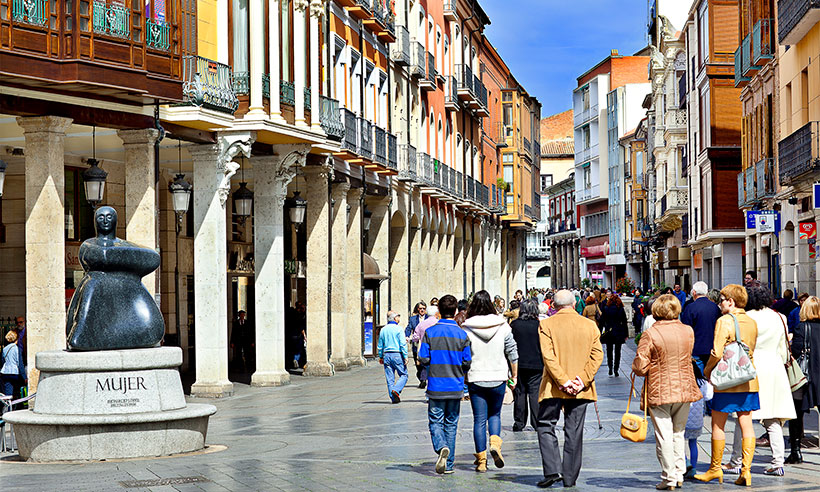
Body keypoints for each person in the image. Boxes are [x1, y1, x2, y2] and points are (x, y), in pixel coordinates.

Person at [632, 294, 703, 490]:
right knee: (678, 433)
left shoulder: (651, 334)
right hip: (684, 387)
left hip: (660, 389)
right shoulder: (688, 331)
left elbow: (640, 367)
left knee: (663, 435)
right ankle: (679, 473)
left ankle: (669, 477)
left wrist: (641, 365)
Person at [535, 290, 603, 488]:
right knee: (574, 430)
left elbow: (548, 357)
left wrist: (563, 381)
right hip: (581, 388)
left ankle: (552, 470)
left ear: (553, 306)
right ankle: (570, 476)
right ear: (574, 304)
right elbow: (597, 356)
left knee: (546, 424)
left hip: (553, 386)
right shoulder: (590, 326)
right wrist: (581, 381)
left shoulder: (546, 324)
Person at [724, 286, 795, 476]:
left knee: (743, 417)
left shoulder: (746, 318)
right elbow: (783, 350)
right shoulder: (780, 317)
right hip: (775, 369)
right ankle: (778, 462)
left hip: (751, 368)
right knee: (773, 418)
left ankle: (737, 460)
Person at [695, 285, 760, 486]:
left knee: (718, 424)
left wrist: (707, 371)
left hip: (727, 381)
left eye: (722, 299)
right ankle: (746, 471)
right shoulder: (751, 321)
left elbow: (716, 352)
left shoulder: (724, 321)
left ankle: (715, 468)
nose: (720, 303)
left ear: (731, 301)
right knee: (746, 423)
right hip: (747, 380)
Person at [462, 290, 519, 472]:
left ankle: (481, 461)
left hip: (476, 377)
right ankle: (495, 442)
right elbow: (512, 353)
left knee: (479, 419)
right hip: (498, 376)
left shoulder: (466, 328)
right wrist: (514, 376)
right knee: (495, 415)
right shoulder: (503, 325)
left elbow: (463, 356)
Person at [418, 295, 472, 474]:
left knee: (435, 421)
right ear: (455, 311)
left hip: (436, 385)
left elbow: (423, 357)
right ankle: (448, 465)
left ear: (439, 311)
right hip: (455, 386)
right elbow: (467, 362)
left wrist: (433, 366)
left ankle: (441, 447)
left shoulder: (430, 333)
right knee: (451, 424)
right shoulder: (462, 334)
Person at [787, 296, 820, 465]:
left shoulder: (800, 328)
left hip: (804, 377)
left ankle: (796, 452)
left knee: (796, 415)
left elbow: (797, 351)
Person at [511, 299, 543, 433]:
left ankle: (519, 422)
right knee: (535, 393)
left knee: (519, 393)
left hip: (519, 364)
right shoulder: (539, 325)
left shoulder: (514, 325)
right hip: (536, 364)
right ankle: (537, 422)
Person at [681, 281, 722, 371]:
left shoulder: (690, 307)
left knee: (698, 379)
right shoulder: (715, 307)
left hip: (696, 348)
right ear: (706, 293)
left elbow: (685, 329)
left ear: (694, 292)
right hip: (712, 348)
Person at [378, 310, 408, 404]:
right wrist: (405, 356)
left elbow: (380, 345)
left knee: (389, 377)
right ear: (395, 318)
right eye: (398, 316)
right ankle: (396, 390)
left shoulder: (383, 329)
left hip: (386, 354)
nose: (399, 318)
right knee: (404, 375)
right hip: (397, 354)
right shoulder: (399, 329)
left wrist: (380, 356)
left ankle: (393, 397)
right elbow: (402, 344)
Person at [600, 293, 628, 377]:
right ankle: (616, 369)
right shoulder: (620, 309)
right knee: (618, 351)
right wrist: (626, 334)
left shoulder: (606, 308)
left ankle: (610, 367)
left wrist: (600, 331)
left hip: (609, 332)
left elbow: (602, 321)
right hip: (618, 332)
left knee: (609, 351)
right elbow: (624, 322)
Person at [412, 305, 439, 387]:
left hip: (425, 349)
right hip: (437, 349)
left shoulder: (421, 324)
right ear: (436, 313)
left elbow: (415, 338)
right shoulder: (438, 323)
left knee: (426, 367)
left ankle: (426, 384)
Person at [407, 301, 428, 388]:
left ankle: (423, 380)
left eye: (424, 308)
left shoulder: (429, 318)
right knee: (417, 363)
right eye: (420, 308)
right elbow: (408, 328)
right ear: (418, 309)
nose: (422, 310)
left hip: (426, 343)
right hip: (416, 344)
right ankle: (420, 377)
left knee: (424, 362)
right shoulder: (413, 319)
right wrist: (406, 336)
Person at [1, 330, 26, 400]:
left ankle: (8, 407)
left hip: (5, 373)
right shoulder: (17, 349)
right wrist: (24, 377)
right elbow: (20, 364)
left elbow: (3, 362)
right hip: (15, 373)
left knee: (8, 393)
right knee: (17, 391)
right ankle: (17, 406)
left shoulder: (4, 349)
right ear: (16, 339)